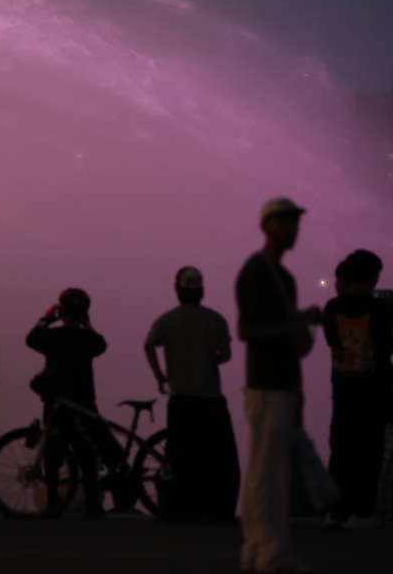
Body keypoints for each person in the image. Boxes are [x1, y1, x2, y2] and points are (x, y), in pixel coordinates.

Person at [236, 198, 323, 574]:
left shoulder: (276, 275)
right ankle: (270, 552)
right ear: (267, 225)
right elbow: (248, 331)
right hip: (268, 383)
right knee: (270, 472)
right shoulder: (259, 272)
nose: (293, 230)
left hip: (277, 382)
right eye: (286, 222)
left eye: (294, 223)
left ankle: (259, 548)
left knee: (265, 468)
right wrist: (298, 323)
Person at [143, 266, 240, 523]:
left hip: (180, 400)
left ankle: (183, 510)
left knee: (182, 458)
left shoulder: (166, 320)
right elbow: (227, 355)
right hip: (210, 400)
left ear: (178, 290)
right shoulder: (216, 320)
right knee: (219, 458)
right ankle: (218, 511)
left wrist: (160, 375)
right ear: (201, 291)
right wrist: (207, 360)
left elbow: (148, 343)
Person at [26, 287, 118, 518]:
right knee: (86, 453)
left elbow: (32, 338)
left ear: (61, 310)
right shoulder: (88, 339)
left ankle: (54, 501)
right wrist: (87, 325)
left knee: (52, 451)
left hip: (56, 402)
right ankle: (92, 502)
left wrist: (45, 319)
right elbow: (100, 344)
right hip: (84, 402)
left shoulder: (52, 336)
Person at [321, 249, 391, 529]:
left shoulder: (331, 308)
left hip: (342, 388)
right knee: (368, 451)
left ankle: (336, 511)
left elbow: (330, 339)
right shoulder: (382, 310)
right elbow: (387, 347)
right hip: (374, 391)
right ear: (374, 277)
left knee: (341, 450)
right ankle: (362, 512)